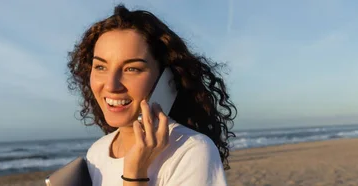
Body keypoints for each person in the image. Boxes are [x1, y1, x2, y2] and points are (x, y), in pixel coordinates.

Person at [67, 4, 237, 186]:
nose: (110, 85)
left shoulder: (191, 151)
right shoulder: (97, 152)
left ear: (167, 78)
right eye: (100, 67)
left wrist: (135, 173)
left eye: (131, 69)